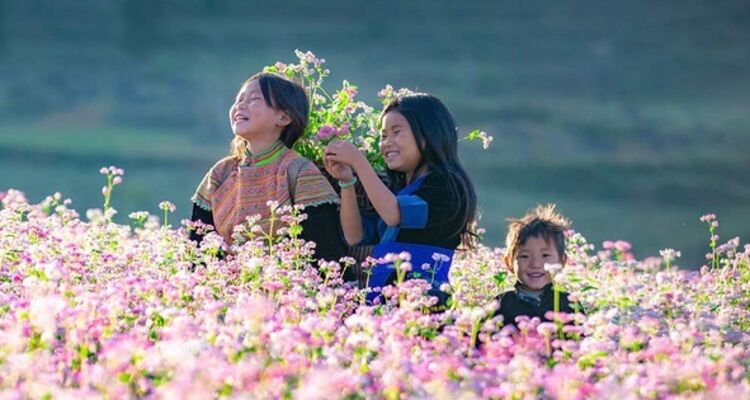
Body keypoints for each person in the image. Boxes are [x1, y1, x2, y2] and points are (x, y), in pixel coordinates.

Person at [323, 93, 478, 302]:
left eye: (397, 132)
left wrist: (359, 162)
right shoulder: (397, 192)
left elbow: (395, 214)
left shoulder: (445, 184)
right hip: (383, 301)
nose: (387, 143)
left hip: (423, 302)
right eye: (383, 136)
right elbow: (355, 236)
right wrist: (347, 182)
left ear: (427, 135)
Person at [190, 72, 346, 262]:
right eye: (239, 99)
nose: (240, 105)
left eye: (254, 99)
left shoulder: (300, 172)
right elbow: (197, 251)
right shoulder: (221, 173)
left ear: (284, 117)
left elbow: (323, 253)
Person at [495, 204, 577, 327]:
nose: (536, 264)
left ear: (562, 261)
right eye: (525, 256)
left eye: (545, 256)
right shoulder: (502, 303)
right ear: (509, 263)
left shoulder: (569, 303)